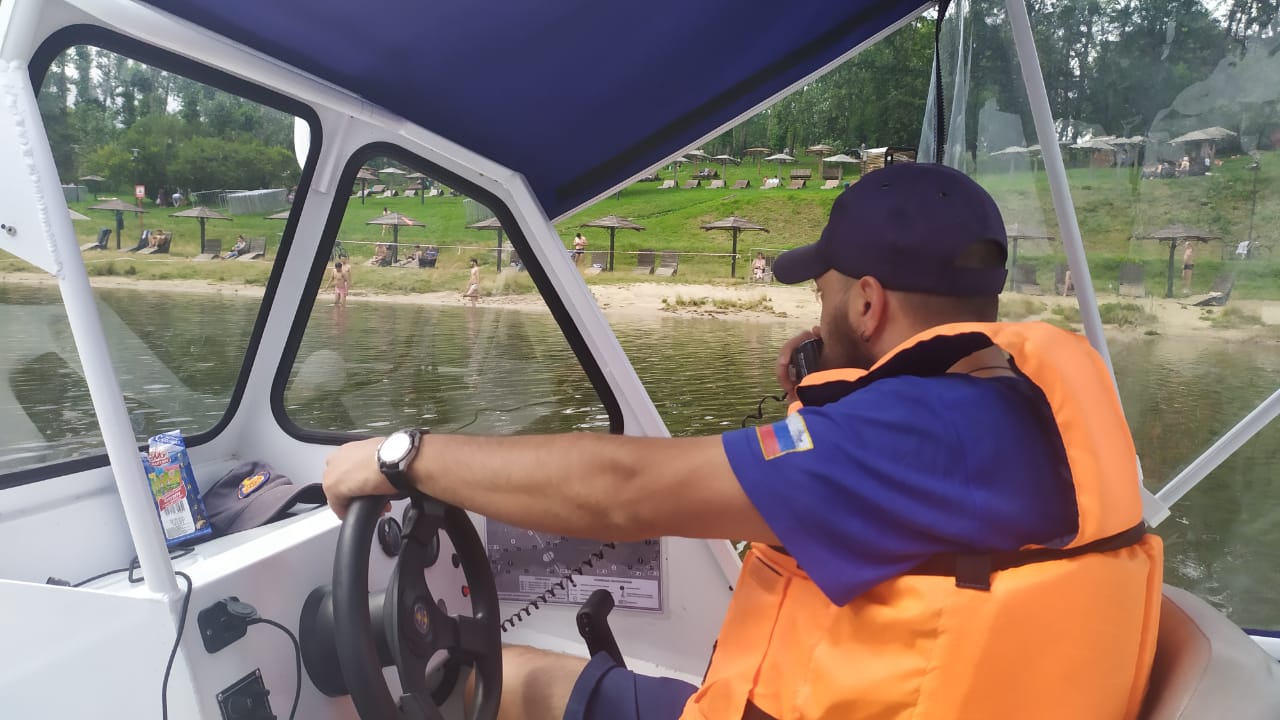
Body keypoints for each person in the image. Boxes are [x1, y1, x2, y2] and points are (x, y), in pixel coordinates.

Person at [322, 163, 1162, 720]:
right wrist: (830, 397)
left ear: (868, 304)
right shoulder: (1012, 412)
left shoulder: (908, 440)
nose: (817, 317)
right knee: (523, 679)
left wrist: (402, 456)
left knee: (499, 684)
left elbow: (623, 490)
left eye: (824, 297)